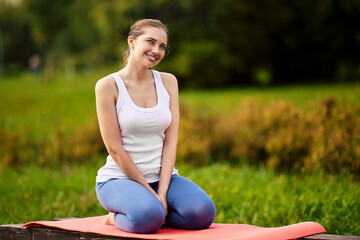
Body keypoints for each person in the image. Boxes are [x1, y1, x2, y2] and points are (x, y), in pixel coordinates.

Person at [94, 19, 216, 234]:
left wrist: (163, 190)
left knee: (203, 213)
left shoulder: (168, 82)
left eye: (162, 46)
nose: (156, 50)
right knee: (149, 217)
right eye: (150, 42)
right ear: (131, 42)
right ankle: (115, 218)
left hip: (162, 178)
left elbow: (170, 141)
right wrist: (151, 195)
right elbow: (115, 149)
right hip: (118, 179)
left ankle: (154, 211)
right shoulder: (108, 86)